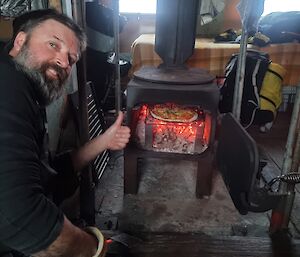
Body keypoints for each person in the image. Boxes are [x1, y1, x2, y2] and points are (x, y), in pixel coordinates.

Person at [0, 8, 130, 257]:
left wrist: (104, 141)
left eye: (71, 58)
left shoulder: (24, 90)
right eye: (53, 44)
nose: (63, 61)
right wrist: (96, 250)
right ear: (20, 41)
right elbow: (17, 214)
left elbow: (49, 175)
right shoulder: (7, 88)